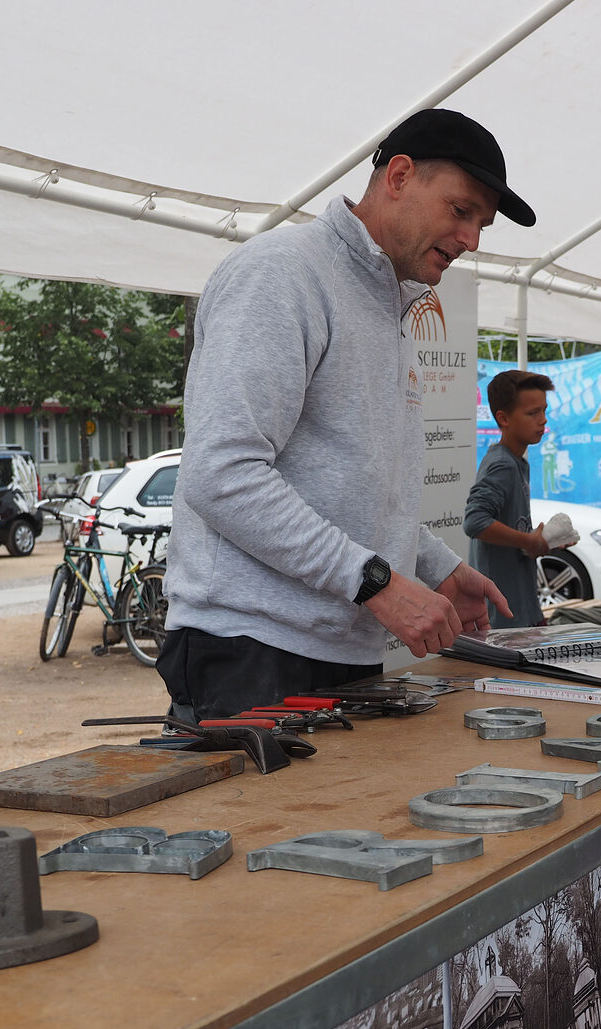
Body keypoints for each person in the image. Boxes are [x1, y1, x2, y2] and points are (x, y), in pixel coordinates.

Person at [158, 108, 534, 718]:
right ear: (400, 176)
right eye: (460, 211)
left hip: (342, 647)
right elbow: (220, 474)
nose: (471, 240)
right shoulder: (282, 273)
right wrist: (378, 583)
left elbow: (350, 489)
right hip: (251, 649)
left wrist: (435, 567)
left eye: (482, 224)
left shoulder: (393, 301)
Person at [464, 369, 559, 628]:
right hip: (501, 619)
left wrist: (544, 540)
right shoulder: (503, 465)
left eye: (544, 410)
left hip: (520, 608)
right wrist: (527, 540)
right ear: (503, 418)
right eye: (532, 413)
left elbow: (511, 528)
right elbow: (474, 522)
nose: (542, 420)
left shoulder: (516, 462)